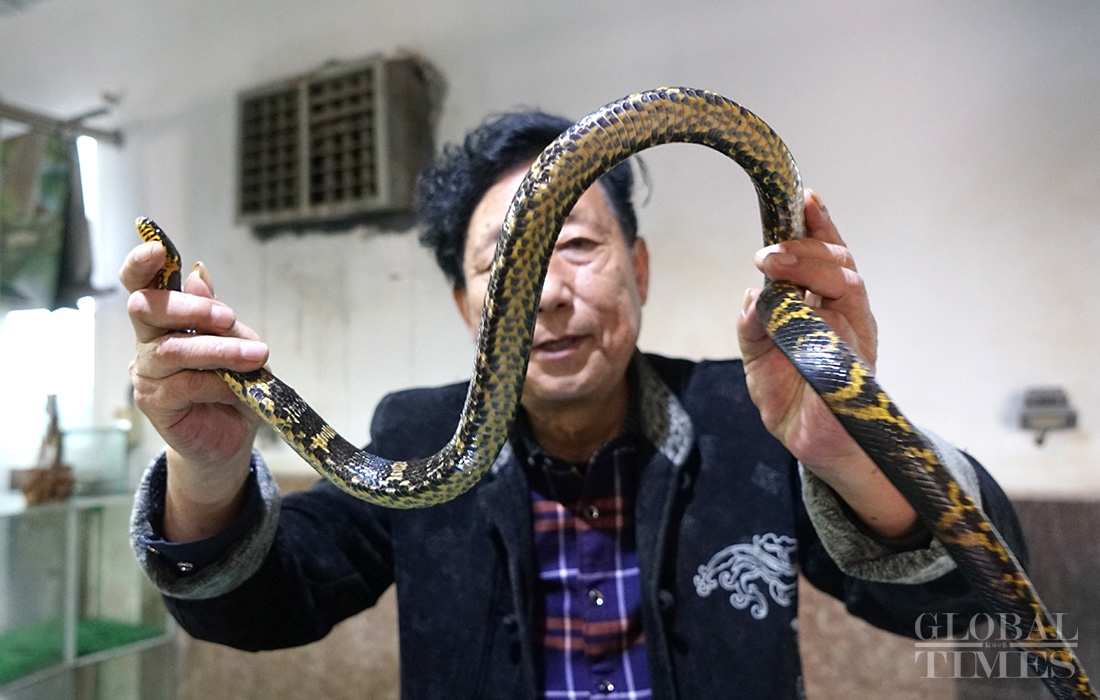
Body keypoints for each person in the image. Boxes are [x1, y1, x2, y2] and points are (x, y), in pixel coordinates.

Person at [122, 110, 1025, 699]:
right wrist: (208, 471)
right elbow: (257, 610)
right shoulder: (416, 436)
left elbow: (974, 603)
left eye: (578, 246)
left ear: (639, 269)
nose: (545, 294)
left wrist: (852, 448)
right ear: (466, 308)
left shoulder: (750, 415)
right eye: (503, 266)